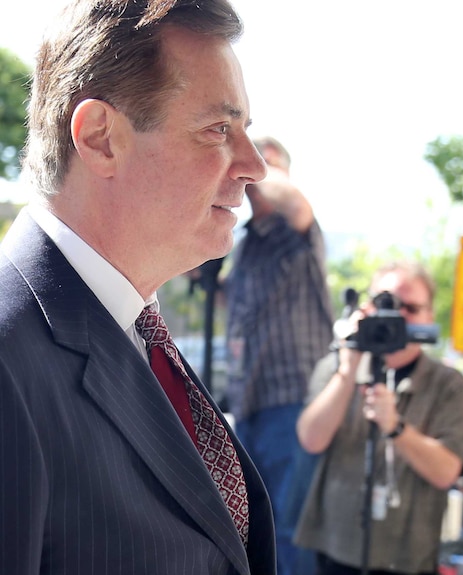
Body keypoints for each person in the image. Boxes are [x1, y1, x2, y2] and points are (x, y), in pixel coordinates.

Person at [0, 1, 276, 573]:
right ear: (101, 138)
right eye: (218, 129)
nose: (253, 165)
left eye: (244, 130)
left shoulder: (138, 335)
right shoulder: (9, 355)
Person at [295, 260, 463, 575]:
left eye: (411, 308)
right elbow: (311, 439)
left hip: (407, 559)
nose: (399, 316)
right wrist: (349, 368)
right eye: (387, 303)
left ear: (428, 317)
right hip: (335, 550)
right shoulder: (337, 366)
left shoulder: (448, 383)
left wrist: (396, 428)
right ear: (366, 308)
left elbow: (447, 472)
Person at [224, 135, 334, 575]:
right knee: (253, 530)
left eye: (261, 162)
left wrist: (254, 166)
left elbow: (294, 203)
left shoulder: (297, 230)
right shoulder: (245, 241)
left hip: (293, 403)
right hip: (248, 405)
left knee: (290, 531)